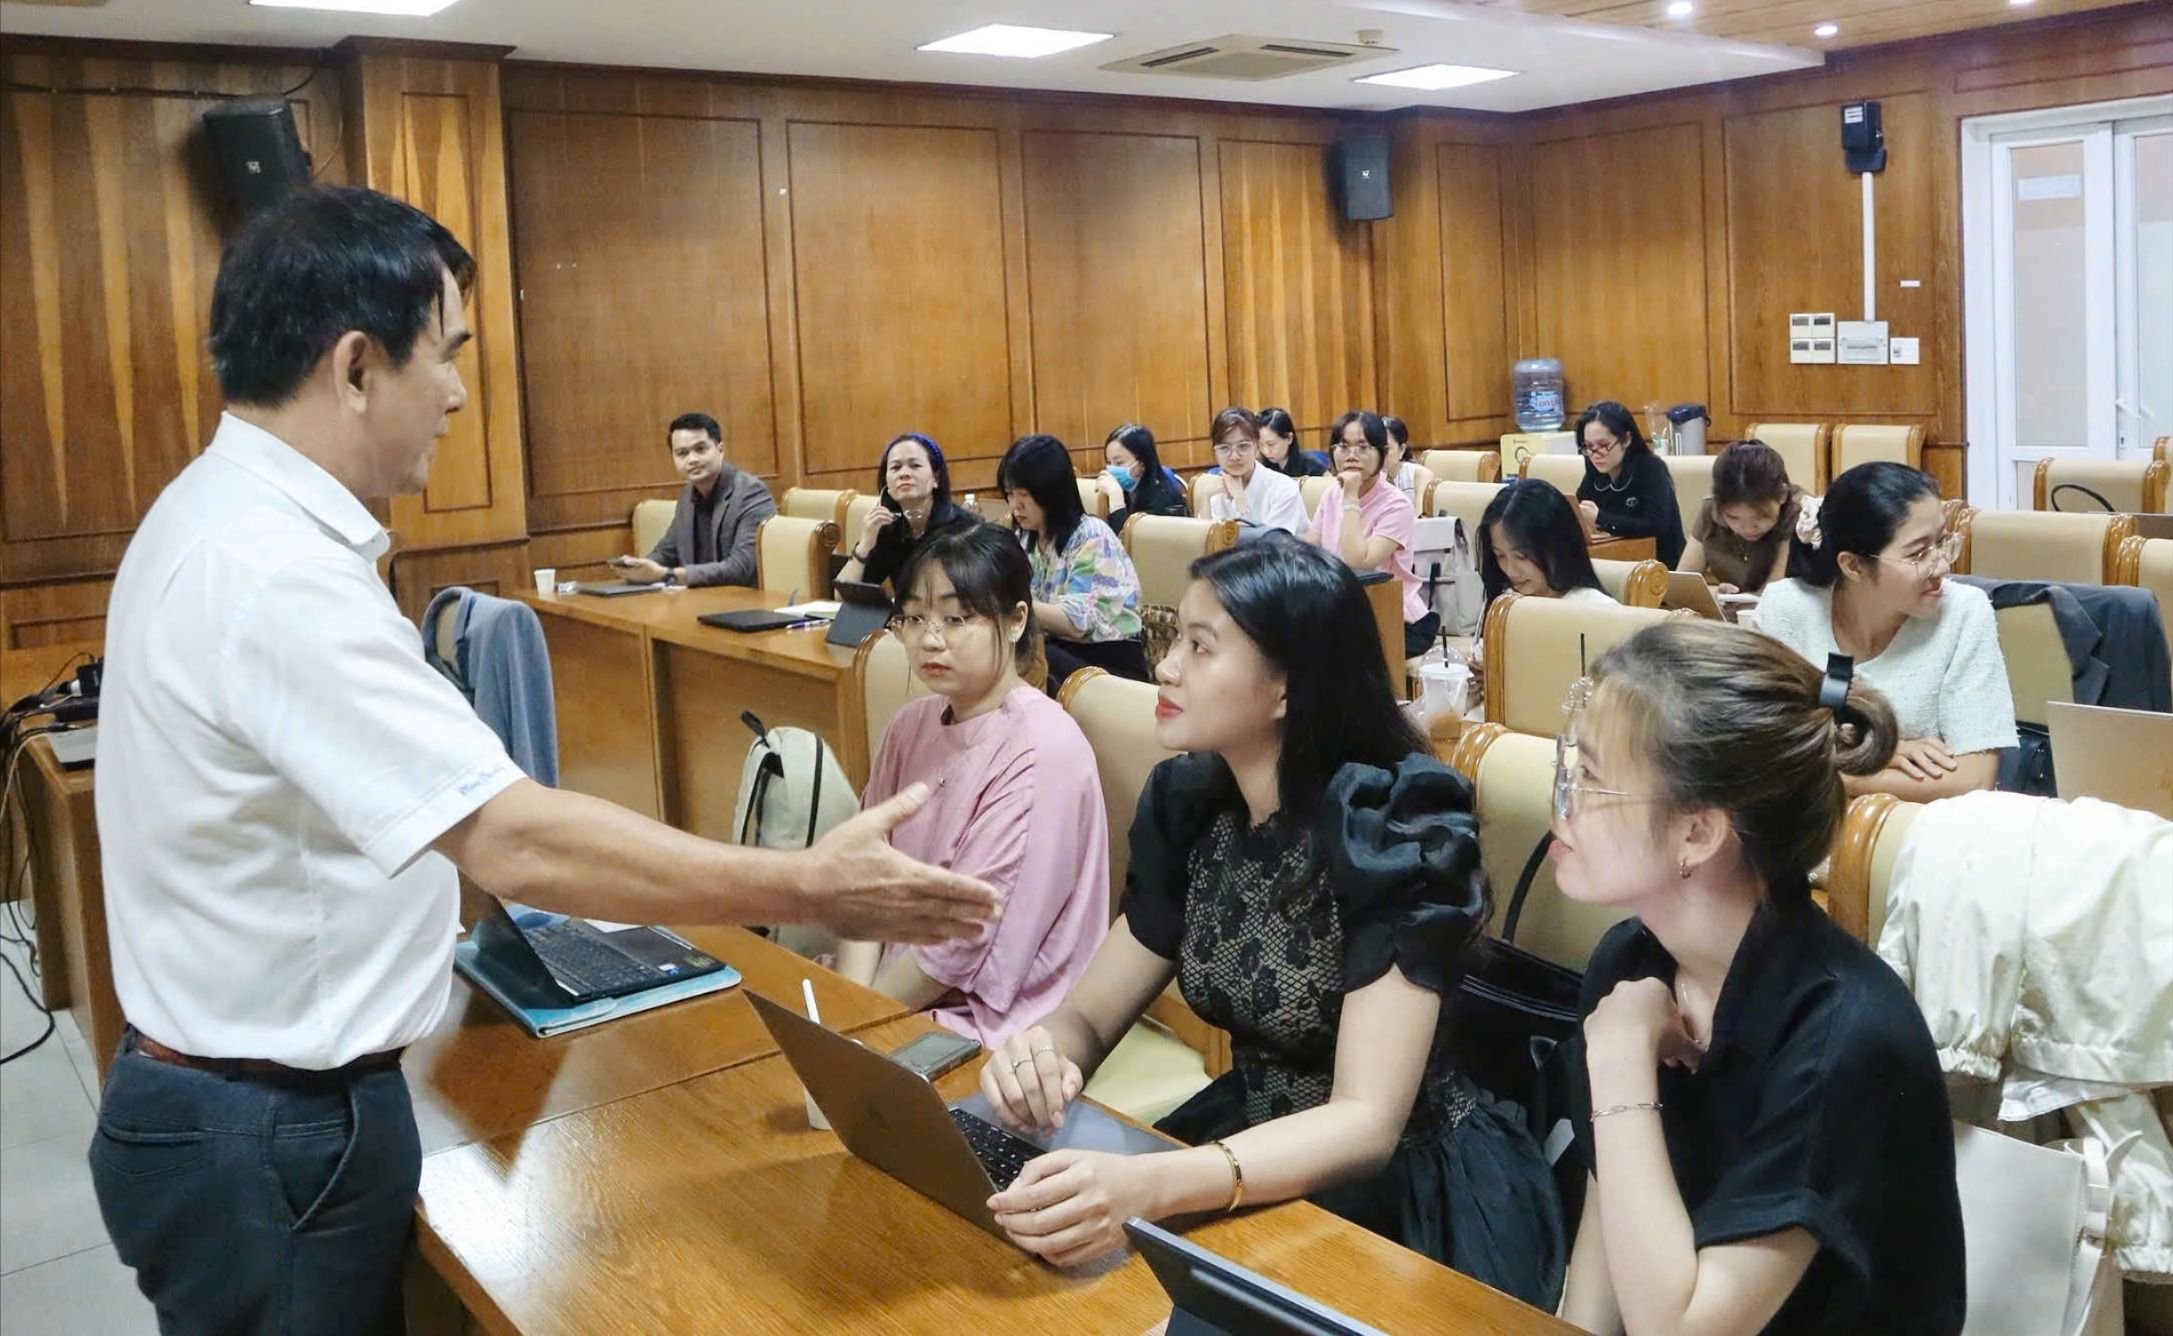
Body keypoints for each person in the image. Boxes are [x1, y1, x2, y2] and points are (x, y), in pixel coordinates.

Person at [86, 186, 997, 1336]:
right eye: (447, 354)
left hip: (238, 1107)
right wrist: (808, 884)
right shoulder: (276, 573)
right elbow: (509, 835)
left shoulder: (218, 516)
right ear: (356, 366)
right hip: (269, 1135)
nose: (459, 393)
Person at [977, 537, 1564, 1301]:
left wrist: (1155, 1184)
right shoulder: (1191, 805)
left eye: (1199, 647)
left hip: (1405, 1189)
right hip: (1247, 1149)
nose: (1165, 668)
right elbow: (1088, 1015)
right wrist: (1043, 1056)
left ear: (1286, 687)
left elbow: (1365, 1121)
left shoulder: (1391, 824)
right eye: (1173, 641)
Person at [1553, 620, 1963, 1334]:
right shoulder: (1631, 962)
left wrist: (1617, 1056)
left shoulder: (1842, 1037)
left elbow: (1678, 1330)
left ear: (1697, 833)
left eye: (1590, 778)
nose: (1564, 801)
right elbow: (1608, 1234)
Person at [837, 526, 1110, 1047]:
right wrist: (849, 1007)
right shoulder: (910, 725)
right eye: (913, 617)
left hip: (999, 1028)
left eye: (956, 618)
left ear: (1016, 620)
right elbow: (863, 875)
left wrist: (858, 1027)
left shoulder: (1042, 747)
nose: (929, 639)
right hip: (890, 997)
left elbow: (958, 941)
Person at [1753, 462, 2015, 801]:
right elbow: (1759, 751)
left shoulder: (1963, 613)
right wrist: (1879, 754)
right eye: (1919, 553)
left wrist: (1841, 775)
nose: (1941, 566)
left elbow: (1974, 779)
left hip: (1913, 825)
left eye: (1942, 542)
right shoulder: (1787, 608)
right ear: (1853, 566)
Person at [997, 433, 1149, 687]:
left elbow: (1075, 624)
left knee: (1024, 657)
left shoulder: (1092, 537)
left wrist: (1005, 605)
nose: (1015, 506)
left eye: (1023, 495)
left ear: (1051, 492)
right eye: (1009, 495)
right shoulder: (1025, 537)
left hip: (1109, 664)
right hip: (1059, 650)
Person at [1308, 409, 1436, 658]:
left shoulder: (1396, 505)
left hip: (1395, 618)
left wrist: (1350, 497)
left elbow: (1358, 561)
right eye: (1343, 446)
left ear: (1383, 454)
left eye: (1363, 447)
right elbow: (1310, 547)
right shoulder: (1331, 494)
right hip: (1342, 610)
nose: (1351, 455)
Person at [613, 411, 777, 587]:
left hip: (742, 598)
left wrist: (666, 575)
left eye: (700, 449)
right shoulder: (688, 494)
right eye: (682, 453)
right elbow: (667, 551)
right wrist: (639, 568)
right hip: (701, 595)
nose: (692, 460)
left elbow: (740, 568)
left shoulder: (751, 493)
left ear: (720, 450)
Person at [839, 431, 978, 589]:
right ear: (887, 484)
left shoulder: (966, 528)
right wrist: (864, 545)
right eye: (896, 467)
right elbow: (842, 593)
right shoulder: (887, 527)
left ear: (936, 478)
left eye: (915, 466)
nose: (904, 474)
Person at [1679, 440, 1806, 595]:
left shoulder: (1800, 514)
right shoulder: (1712, 510)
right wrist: (1716, 594)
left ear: (1782, 495)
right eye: (1733, 518)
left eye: (1760, 517)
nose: (1747, 528)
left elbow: (1774, 592)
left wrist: (1740, 601)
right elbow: (1683, 583)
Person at [1573, 400, 1685, 569]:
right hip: (1614, 561)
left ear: (1626, 440)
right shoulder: (1594, 472)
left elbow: (1655, 525)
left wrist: (1601, 518)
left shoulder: (1651, 468)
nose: (1595, 454)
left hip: (1659, 566)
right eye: (1588, 447)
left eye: (1603, 445)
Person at [1477, 479, 1612, 607]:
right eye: (1500, 555)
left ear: (1557, 547)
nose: (1511, 571)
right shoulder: (1505, 602)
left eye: (1522, 556)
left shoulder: (1597, 609)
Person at [1202, 406, 1308, 534]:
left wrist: (1240, 501)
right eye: (1224, 448)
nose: (1234, 456)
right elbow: (1204, 542)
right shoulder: (1216, 490)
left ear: (1257, 448)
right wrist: (1205, 499)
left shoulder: (1284, 488)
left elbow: (1270, 543)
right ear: (1214, 452)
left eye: (1243, 446)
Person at [1098, 423, 1190, 535]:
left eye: (1119, 463)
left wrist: (1116, 501)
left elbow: (1129, 541)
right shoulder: (1125, 490)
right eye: (1109, 463)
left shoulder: (1165, 497)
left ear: (1142, 463)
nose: (1112, 469)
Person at [1258, 406, 1328, 477]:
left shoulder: (1312, 467)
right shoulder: (1259, 467)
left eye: (1271, 444)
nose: (1266, 451)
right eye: (1260, 445)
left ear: (1289, 438)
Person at [1382, 415, 1423, 507]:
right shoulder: (1362, 478)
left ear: (1401, 450)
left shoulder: (1419, 475)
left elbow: (1420, 515)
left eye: (1385, 449)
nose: (1379, 455)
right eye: (1375, 448)